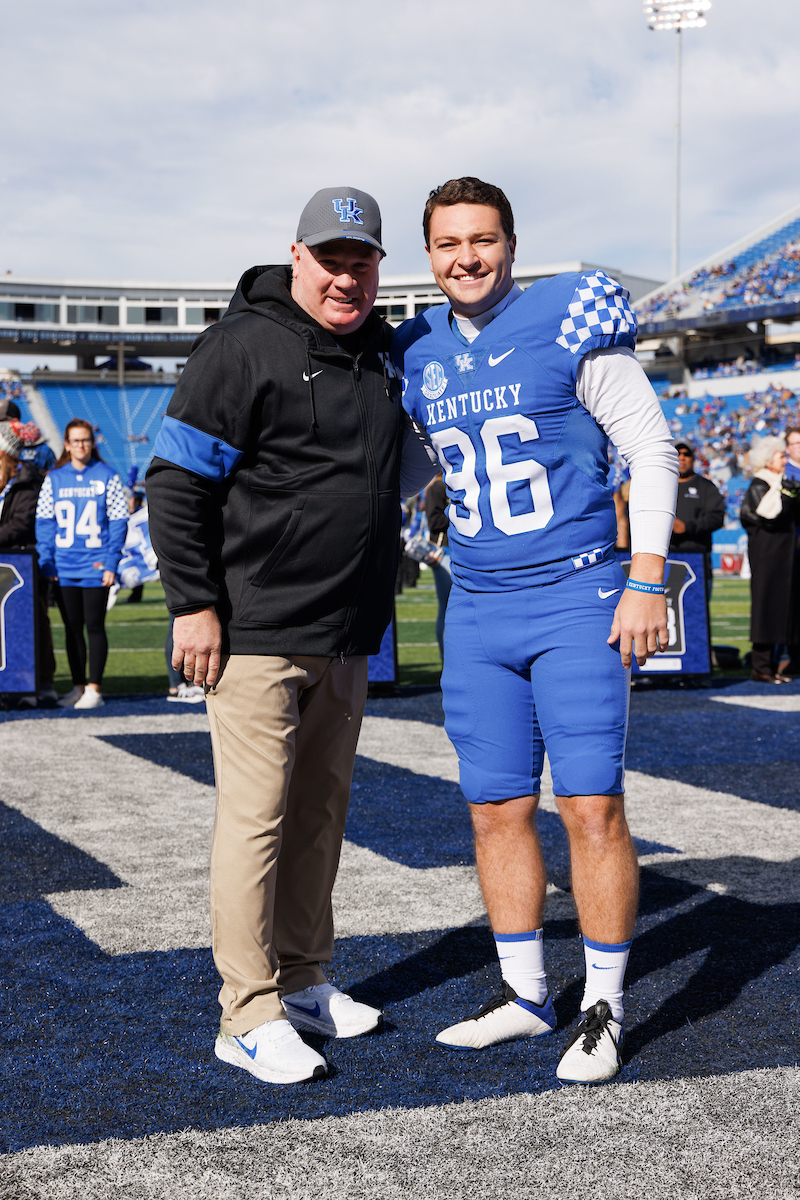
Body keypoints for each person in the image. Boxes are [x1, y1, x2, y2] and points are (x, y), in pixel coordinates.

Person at [146, 187, 436, 1086]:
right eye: (331, 257)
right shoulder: (241, 345)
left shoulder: (383, 355)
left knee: (319, 819)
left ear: (380, 267)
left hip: (348, 632)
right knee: (256, 822)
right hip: (258, 632)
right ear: (297, 255)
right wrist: (194, 603)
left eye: (363, 259)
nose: (346, 275)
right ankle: (246, 1011)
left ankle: (306, 979)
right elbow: (174, 481)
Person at [393, 177, 677, 1085]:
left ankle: (603, 1005)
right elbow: (398, 469)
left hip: (577, 596)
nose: (465, 257)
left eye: (482, 239)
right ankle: (524, 995)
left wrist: (645, 579)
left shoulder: (569, 315)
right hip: (476, 605)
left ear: (511, 244)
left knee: (590, 806)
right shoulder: (417, 350)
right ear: (428, 254)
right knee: (494, 807)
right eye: (447, 243)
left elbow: (652, 449)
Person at [35, 419, 128, 709]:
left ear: (93, 442)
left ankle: (94, 689)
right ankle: (77, 687)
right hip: (63, 566)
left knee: (94, 626)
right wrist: (46, 560)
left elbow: (118, 522)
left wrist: (112, 561)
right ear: (66, 444)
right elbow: (44, 522)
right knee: (71, 628)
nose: (81, 445)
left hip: (96, 564)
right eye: (75, 441)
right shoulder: (54, 478)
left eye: (86, 440)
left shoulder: (107, 476)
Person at [0, 421, 57, 706]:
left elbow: (21, 525)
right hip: (4, 561)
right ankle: (8, 682)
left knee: (32, 623)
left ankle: (39, 682)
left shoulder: (28, 480)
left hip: (22, 563)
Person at [740, 435, 799, 683]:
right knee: (766, 607)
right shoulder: (760, 484)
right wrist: (787, 495)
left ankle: (773, 666)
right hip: (768, 556)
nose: (785, 460)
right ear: (768, 459)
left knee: (782, 608)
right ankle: (761, 667)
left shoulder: (780, 482)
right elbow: (769, 515)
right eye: (781, 456)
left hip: (785, 556)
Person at [669, 439, 725, 601]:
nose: (682, 457)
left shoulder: (706, 487)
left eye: (687, 454)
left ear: (693, 458)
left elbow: (717, 517)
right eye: (678, 453)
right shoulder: (661, 485)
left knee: (697, 615)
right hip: (665, 558)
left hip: (697, 560)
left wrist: (688, 527)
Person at [424, 473, 451, 658]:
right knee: (447, 606)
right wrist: (458, 514)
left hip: (455, 551)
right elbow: (434, 521)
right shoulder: (437, 487)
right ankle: (445, 658)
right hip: (444, 552)